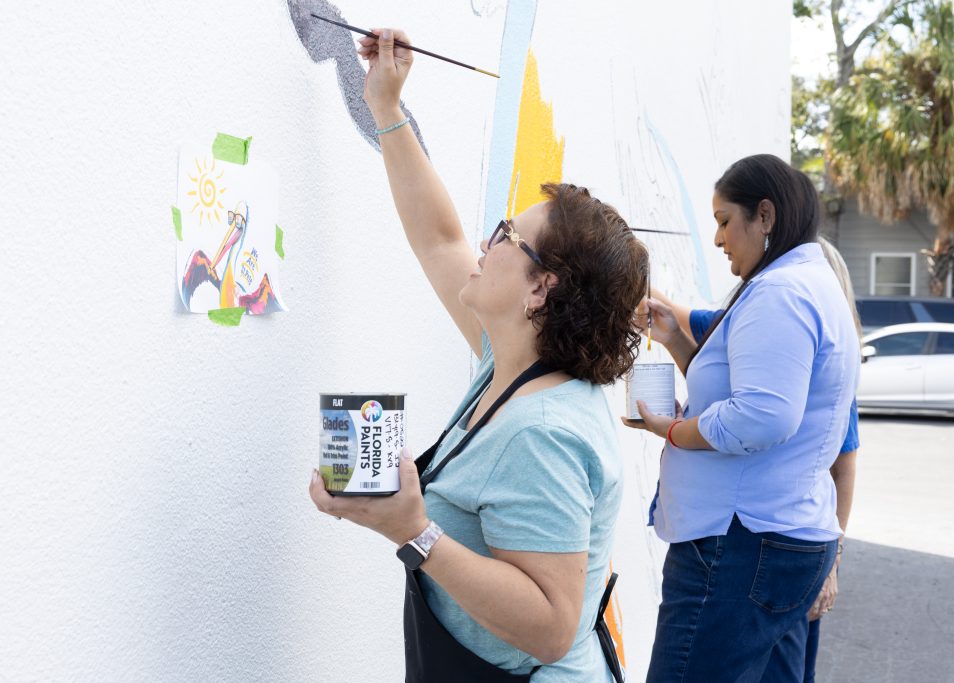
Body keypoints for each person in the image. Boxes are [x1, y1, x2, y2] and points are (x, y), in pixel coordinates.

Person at [308, 28, 648, 682]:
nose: (484, 242)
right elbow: (439, 239)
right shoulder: (521, 367)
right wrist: (385, 103)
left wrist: (415, 531)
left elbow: (550, 624)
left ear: (539, 289)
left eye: (504, 235)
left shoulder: (541, 432)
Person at [624, 154, 860, 682]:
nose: (717, 238)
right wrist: (678, 341)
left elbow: (762, 417)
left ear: (766, 216)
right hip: (776, 538)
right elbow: (749, 394)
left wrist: (672, 431)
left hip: (738, 548)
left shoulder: (780, 292)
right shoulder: (806, 283)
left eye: (724, 220)